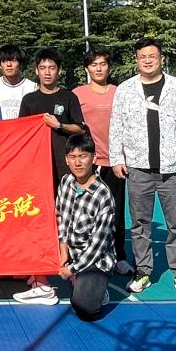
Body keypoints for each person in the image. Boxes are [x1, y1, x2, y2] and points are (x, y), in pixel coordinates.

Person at [109, 39, 176, 298]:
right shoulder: (125, 90)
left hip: (172, 170)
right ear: (136, 60)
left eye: (152, 56)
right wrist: (117, 158)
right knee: (140, 224)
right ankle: (143, 271)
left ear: (161, 59)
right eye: (142, 57)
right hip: (138, 168)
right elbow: (116, 126)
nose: (147, 60)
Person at [13, 48, 86, 304]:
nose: (47, 72)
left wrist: (59, 125)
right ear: (36, 71)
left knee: (69, 222)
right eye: (43, 68)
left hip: (65, 171)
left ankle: (77, 277)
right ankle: (41, 281)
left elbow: (81, 129)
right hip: (36, 173)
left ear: (59, 71)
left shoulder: (69, 97)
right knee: (37, 223)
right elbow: (20, 133)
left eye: (52, 68)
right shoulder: (29, 100)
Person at [40, 134, 116, 320]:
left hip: (94, 259)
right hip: (70, 250)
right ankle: (39, 284)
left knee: (85, 309)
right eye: (73, 157)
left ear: (94, 158)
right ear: (66, 160)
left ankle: (95, 288)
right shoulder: (66, 182)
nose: (78, 163)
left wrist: (71, 269)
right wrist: (63, 249)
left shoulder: (103, 195)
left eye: (83, 156)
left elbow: (97, 246)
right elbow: (62, 217)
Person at [73, 47, 132, 275]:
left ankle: (118, 256)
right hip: (89, 163)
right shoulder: (77, 94)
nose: (98, 68)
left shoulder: (120, 92)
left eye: (103, 64)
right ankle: (87, 256)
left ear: (109, 67)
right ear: (87, 68)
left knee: (115, 210)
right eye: (93, 64)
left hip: (115, 161)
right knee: (86, 212)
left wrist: (124, 156)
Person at [0, 44, 37, 120]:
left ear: (20, 64)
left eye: (13, 60)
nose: (9, 64)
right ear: (0, 65)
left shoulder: (32, 87)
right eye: (4, 61)